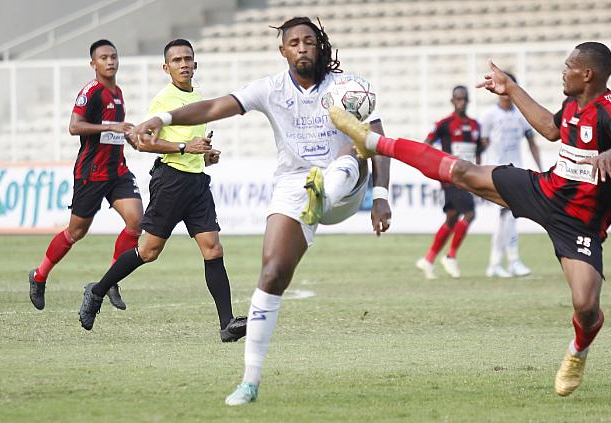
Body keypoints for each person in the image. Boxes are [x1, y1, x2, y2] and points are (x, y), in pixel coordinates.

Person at [81, 17, 392, 405]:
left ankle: (326, 188)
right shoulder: (267, 89)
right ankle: (248, 379)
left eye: (308, 41)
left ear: (319, 45)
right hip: (280, 185)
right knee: (269, 272)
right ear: (283, 51)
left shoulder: (348, 88)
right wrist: (161, 121)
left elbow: (379, 138)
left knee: (353, 145)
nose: (302, 47)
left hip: (343, 189)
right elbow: (213, 108)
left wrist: (381, 194)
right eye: (293, 42)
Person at [330, 42, 611, 397]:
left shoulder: (610, 109)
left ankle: (578, 352)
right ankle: (372, 141)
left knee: (585, 307)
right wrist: (510, 87)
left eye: (569, 66)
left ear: (587, 74)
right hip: (547, 190)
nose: (563, 71)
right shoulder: (573, 102)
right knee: (461, 172)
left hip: (580, 223)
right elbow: (551, 129)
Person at [77, 39, 247, 341]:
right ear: (165, 67)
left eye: (188, 59)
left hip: (196, 183)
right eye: (177, 60)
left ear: (195, 64)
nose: (184, 64)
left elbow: (190, 148)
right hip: (170, 182)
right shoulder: (163, 100)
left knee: (213, 248)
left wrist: (204, 156)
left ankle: (227, 325)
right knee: (149, 251)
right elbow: (144, 142)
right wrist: (184, 147)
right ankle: (98, 290)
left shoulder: (199, 97)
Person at [28, 39, 141, 311]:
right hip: (92, 173)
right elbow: (74, 127)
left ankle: (112, 279)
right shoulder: (91, 92)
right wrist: (112, 126)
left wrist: (131, 136)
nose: (110, 61)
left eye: (113, 56)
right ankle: (39, 275)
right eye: (103, 57)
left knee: (137, 222)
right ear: (93, 64)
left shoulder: (119, 92)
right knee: (76, 232)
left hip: (118, 171)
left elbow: (113, 133)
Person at [416, 85, 483, 279]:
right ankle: (451, 256)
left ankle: (428, 259)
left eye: (464, 99)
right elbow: (426, 145)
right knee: (469, 213)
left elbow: (478, 151)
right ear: (452, 101)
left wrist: (478, 173)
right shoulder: (444, 124)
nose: (461, 102)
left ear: (468, 101)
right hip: (451, 176)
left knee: (453, 217)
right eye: (457, 99)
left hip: (468, 176)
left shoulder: (475, 125)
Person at [479, 72, 542, 278]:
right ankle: (506, 262)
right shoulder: (488, 115)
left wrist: (539, 167)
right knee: (507, 214)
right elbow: (482, 144)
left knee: (509, 216)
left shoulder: (520, 115)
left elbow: (532, 142)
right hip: (496, 171)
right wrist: (478, 171)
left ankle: (498, 263)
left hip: (516, 170)